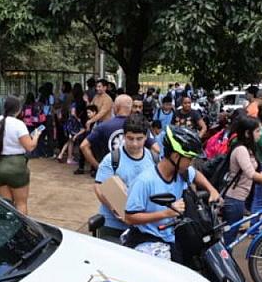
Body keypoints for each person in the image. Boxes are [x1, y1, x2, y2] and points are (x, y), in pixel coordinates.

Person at [122, 126, 220, 263]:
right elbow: (129, 217)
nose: (191, 163)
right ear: (175, 156)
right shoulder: (145, 181)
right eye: (189, 158)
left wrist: (212, 190)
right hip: (149, 242)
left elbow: (196, 174)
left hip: (174, 238)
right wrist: (165, 213)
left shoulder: (182, 172)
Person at [220, 116, 262, 242]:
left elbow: (257, 171)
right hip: (234, 199)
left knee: (232, 235)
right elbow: (251, 174)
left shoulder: (248, 149)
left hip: (241, 198)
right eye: (257, 131)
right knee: (230, 237)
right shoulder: (241, 150)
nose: (260, 134)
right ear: (247, 133)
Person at [92, 115, 158, 241]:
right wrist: (114, 208)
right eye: (130, 138)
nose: (134, 143)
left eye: (139, 139)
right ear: (124, 136)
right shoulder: (112, 159)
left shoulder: (154, 159)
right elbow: (98, 187)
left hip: (142, 226)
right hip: (112, 225)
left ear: (146, 137)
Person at [0, 94, 44, 213]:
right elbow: (30, 146)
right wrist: (36, 136)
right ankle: (22, 225)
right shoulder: (19, 124)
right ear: (18, 110)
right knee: (21, 203)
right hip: (15, 166)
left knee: (6, 203)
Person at [80, 95, 159, 173]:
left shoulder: (103, 126)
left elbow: (83, 146)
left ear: (115, 107)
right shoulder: (139, 126)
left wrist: (99, 167)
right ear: (131, 108)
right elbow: (156, 149)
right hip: (134, 172)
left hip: (110, 173)